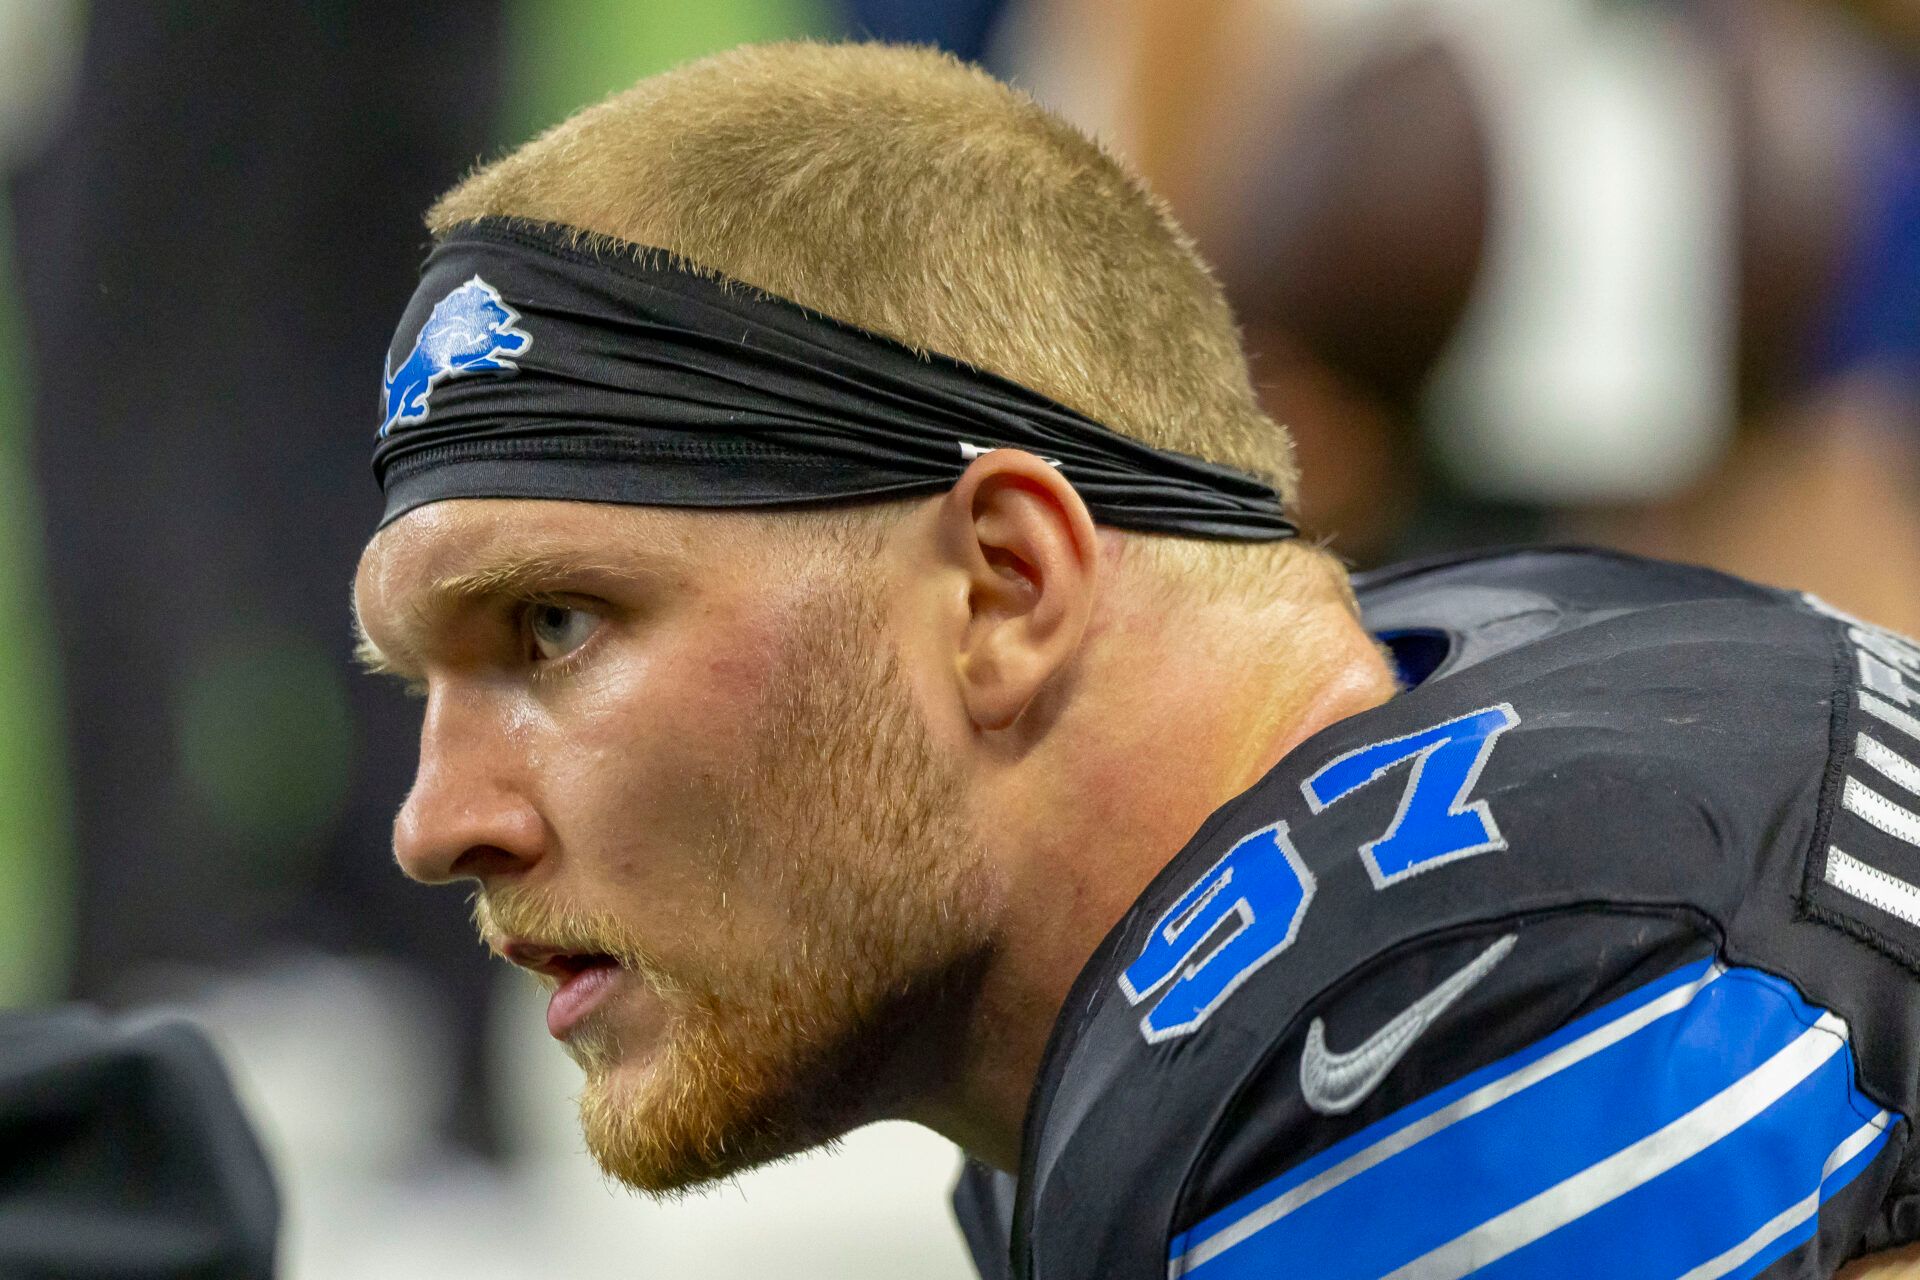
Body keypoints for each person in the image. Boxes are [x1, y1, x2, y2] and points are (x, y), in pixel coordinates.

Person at [350, 42, 1920, 1280]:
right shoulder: (1544, 648)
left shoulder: (1413, 1047)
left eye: (555, 629)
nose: (436, 823)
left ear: (1005, 586)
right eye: (420, 685)